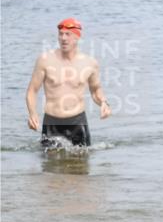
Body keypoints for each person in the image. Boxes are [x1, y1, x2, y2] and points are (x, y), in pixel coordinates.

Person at [26, 18, 112, 149]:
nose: (63, 38)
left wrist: (104, 102)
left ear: (77, 37)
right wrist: (32, 113)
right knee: (49, 167)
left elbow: (96, 90)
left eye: (68, 34)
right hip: (52, 122)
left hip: (78, 122)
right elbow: (32, 91)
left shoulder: (90, 63)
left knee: (81, 166)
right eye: (60, 34)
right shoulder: (45, 60)